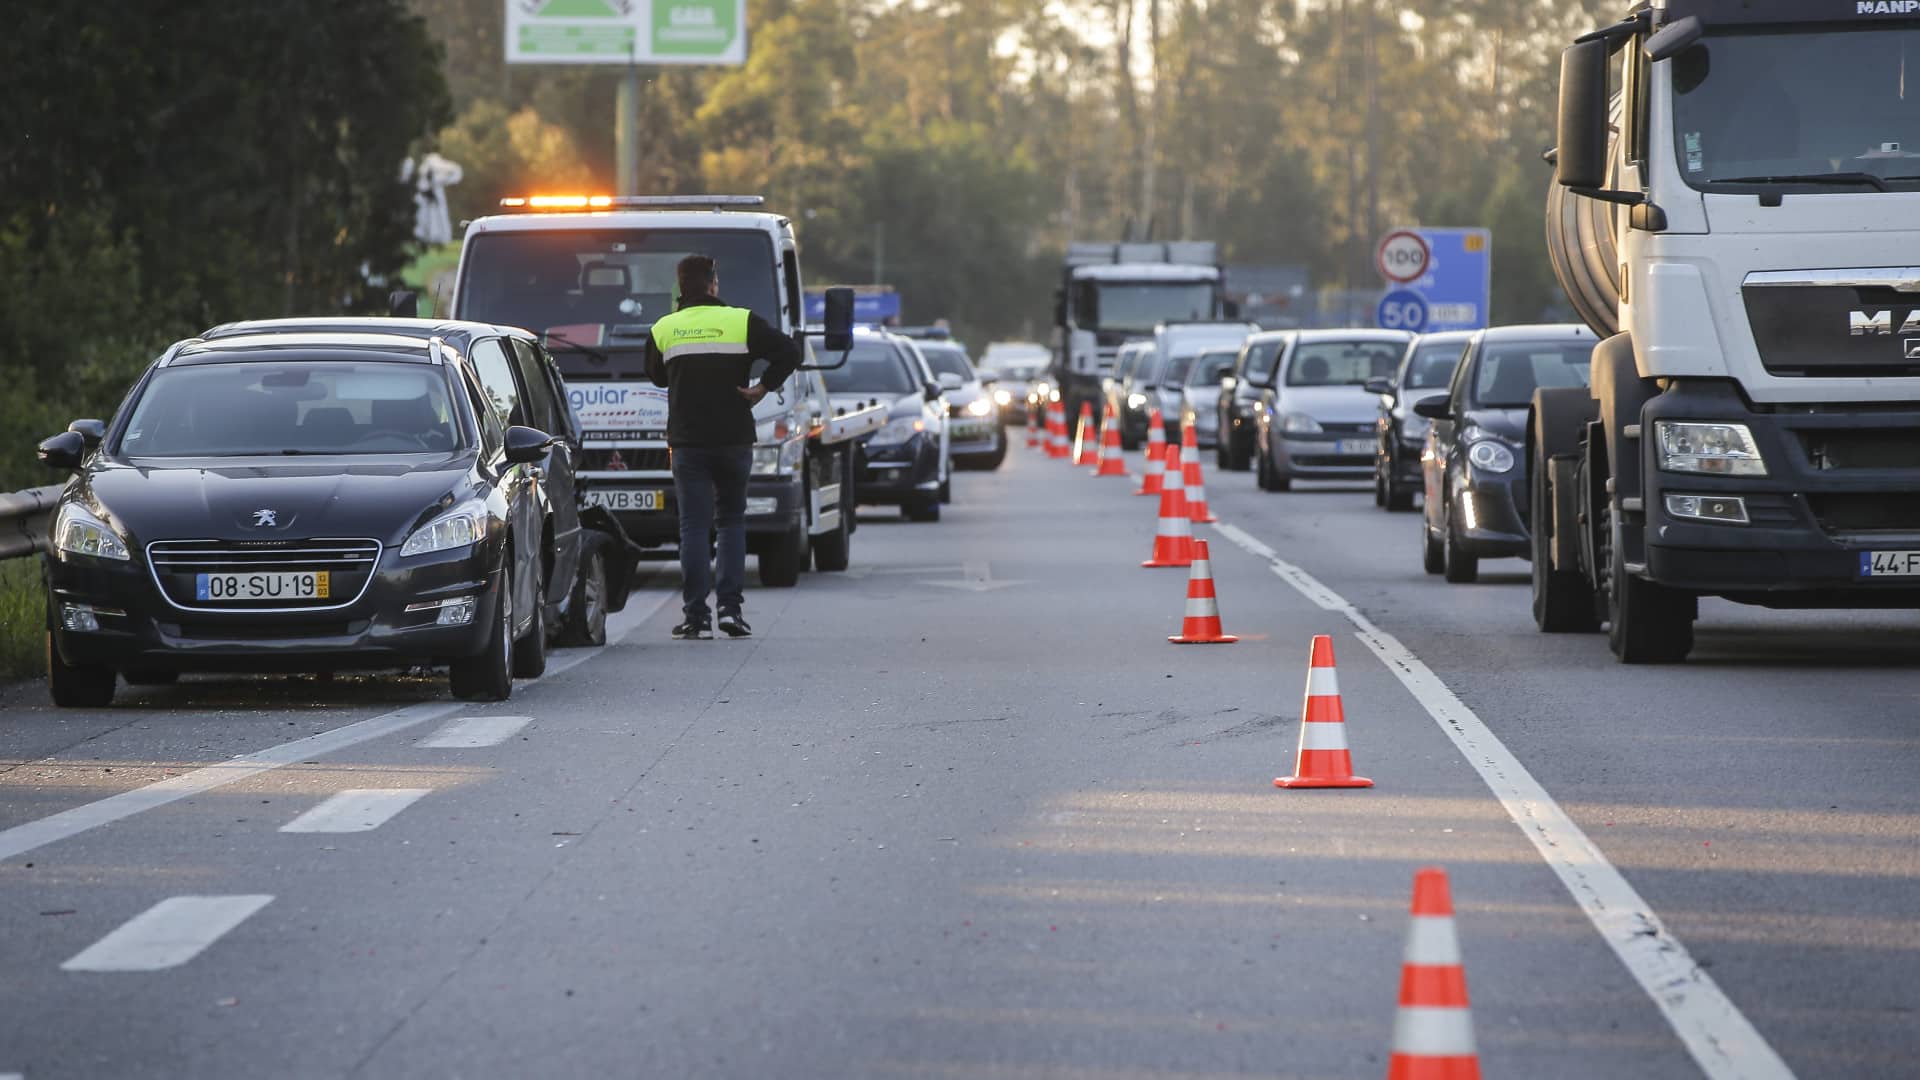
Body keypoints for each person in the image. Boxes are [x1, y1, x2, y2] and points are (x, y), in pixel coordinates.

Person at [645, 254, 800, 640]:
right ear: (714, 285)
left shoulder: (665, 328)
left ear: (680, 289)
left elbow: (656, 376)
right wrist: (763, 387)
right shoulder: (741, 321)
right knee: (731, 522)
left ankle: (696, 617)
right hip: (734, 439)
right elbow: (790, 352)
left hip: (687, 443)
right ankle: (731, 610)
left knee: (694, 527)